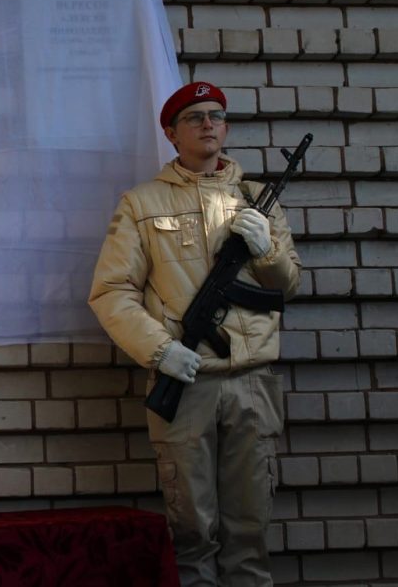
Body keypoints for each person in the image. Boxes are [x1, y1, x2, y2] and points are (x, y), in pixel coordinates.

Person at [88, 82, 301, 586]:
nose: (208, 124)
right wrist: (160, 350)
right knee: (192, 532)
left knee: (250, 533)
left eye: (216, 116)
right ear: (171, 133)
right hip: (186, 384)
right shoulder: (142, 203)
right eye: (194, 117)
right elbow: (111, 292)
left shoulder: (256, 200)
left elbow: (287, 285)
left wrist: (266, 250)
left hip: (251, 383)